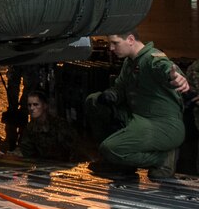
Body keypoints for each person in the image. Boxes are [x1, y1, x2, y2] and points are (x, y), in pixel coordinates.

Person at [85, 31, 190, 179]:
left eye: (115, 43)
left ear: (130, 39)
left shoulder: (152, 58)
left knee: (111, 149)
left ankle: (162, 159)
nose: (111, 48)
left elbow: (166, 69)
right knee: (94, 101)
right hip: (139, 118)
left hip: (163, 125)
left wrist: (176, 78)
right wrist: (112, 94)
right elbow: (120, 88)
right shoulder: (130, 62)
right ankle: (121, 163)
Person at [17, 89, 77, 161]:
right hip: (42, 166)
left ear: (45, 106)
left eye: (36, 104)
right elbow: (27, 151)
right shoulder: (30, 128)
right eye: (29, 105)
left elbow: (73, 150)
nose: (32, 108)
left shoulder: (59, 125)